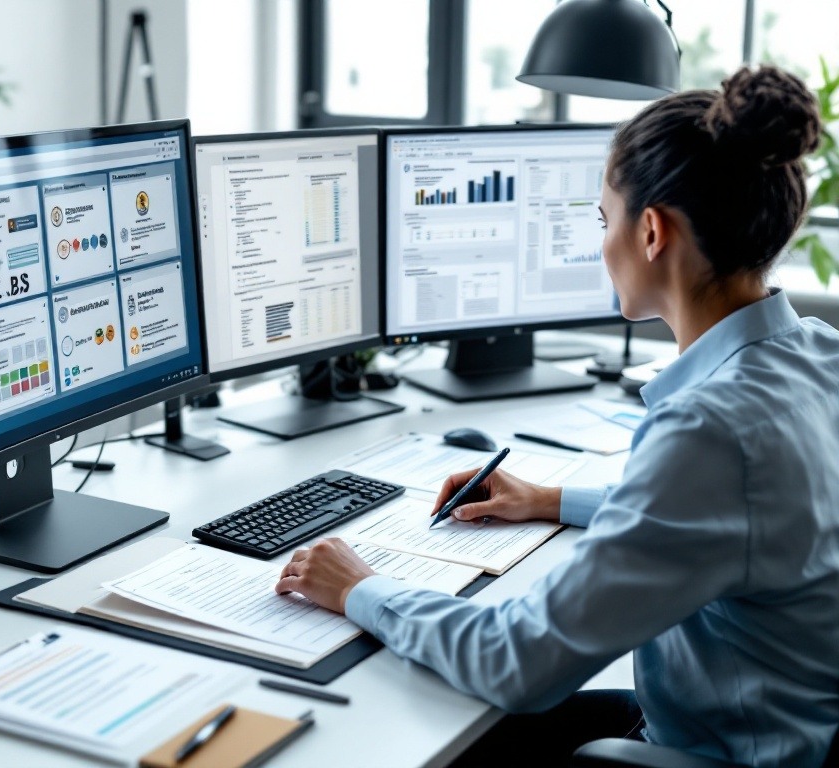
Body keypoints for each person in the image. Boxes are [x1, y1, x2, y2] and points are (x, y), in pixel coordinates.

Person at [275, 64, 839, 768]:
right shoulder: (819, 355)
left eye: (606, 220)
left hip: (731, 751)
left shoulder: (709, 430)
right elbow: (743, 518)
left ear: (653, 232)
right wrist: (550, 500)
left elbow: (519, 662)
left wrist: (360, 589)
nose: (603, 244)